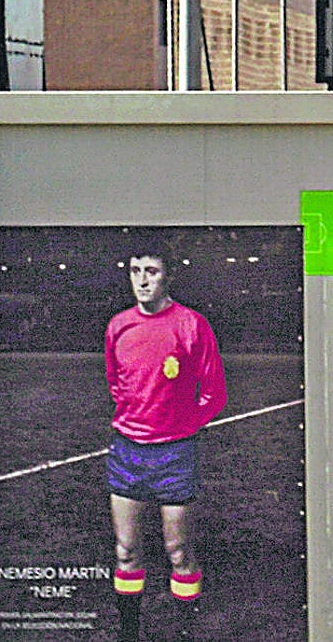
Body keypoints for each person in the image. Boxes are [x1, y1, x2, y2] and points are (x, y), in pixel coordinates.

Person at [105, 252, 227, 641]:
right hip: (127, 453)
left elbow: (215, 394)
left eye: (151, 272)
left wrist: (177, 427)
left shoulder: (192, 325)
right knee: (126, 551)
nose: (142, 280)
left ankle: (183, 634)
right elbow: (115, 383)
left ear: (168, 277)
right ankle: (129, 634)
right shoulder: (118, 326)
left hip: (175, 455)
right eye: (135, 271)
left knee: (179, 552)